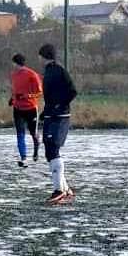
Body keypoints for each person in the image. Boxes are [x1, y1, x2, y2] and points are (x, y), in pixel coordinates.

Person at [39, 44, 77, 205]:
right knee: (49, 150)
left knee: (53, 148)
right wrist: (45, 111)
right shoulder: (47, 72)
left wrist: (59, 105)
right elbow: (50, 96)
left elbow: (72, 91)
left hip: (60, 116)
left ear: (43, 56)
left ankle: (59, 191)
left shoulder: (59, 71)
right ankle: (65, 189)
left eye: (39, 56)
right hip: (50, 115)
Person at [8, 53, 43, 167]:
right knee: (20, 134)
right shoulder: (13, 75)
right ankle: (24, 158)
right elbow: (15, 90)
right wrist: (12, 99)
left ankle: (36, 151)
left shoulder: (32, 74)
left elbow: (39, 92)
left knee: (33, 133)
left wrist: (26, 96)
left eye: (13, 63)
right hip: (18, 109)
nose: (12, 65)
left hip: (30, 109)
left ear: (15, 63)